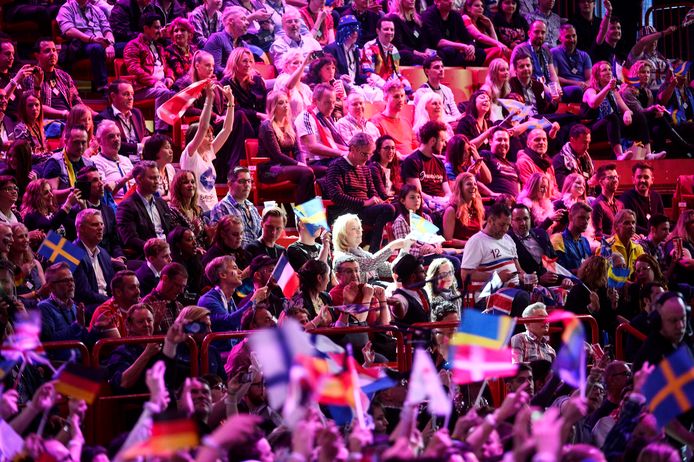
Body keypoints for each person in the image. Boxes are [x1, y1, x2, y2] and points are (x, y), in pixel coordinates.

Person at [325, 132, 396, 251]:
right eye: (364, 154)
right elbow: (336, 196)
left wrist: (377, 200)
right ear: (353, 149)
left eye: (370, 154)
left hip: (363, 210)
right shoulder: (336, 166)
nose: (368, 158)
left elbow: (373, 191)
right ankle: (375, 250)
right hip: (346, 211)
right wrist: (364, 203)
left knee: (395, 206)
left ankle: (376, 248)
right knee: (388, 210)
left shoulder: (365, 168)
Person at [582, 61, 654, 160]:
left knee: (639, 116)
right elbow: (593, 104)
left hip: (612, 126)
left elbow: (627, 110)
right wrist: (607, 88)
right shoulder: (590, 90)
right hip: (594, 128)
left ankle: (648, 154)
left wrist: (627, 113)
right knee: (612, 117)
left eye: (610, 70)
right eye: (604, 70)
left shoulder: (613, 91)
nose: (609, 72)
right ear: (597, 75)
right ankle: (619, 155)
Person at [180, 82, 235, 211]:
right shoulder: (190, 155)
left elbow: (227, 129)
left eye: (211, 134)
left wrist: (231, 102)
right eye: (207, 135)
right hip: (197, 212)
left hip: (213, 211)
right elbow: (203, 126)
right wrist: (209, 99)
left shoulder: (208, 153)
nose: (211, 137)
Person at [38, 262, 106, 359]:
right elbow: (49, 341)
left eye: (72, 280)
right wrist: (77, 325)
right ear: (52, 286)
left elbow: (85, 341)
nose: (71, 284)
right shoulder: (43, 308)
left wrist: (97, 328)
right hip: (60, 366)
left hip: (81, 361)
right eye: (65, 281)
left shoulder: (74, 307)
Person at [258, 91, 316, 204]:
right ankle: (305, 217)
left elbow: (298, 150)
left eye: (286, 102)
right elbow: (277, 155)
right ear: (273, 107)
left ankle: (305, 215)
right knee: (307, 173)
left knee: (323, 171)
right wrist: (299, 165)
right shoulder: (267, 126)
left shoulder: (290, 125)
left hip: (286, 167)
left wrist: (302, 163)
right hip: (270, 170)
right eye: (280, 103)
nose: (285, 105)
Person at [122, 13, 176, 133]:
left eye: (160, 27)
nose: (160, 30)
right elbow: (134, 69)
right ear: (146, 28)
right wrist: (154, 82)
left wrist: (169, 76)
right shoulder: (133, 45)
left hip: (160, 84)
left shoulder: (159, 46)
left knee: (180, 91)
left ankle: (177, 131)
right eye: (156, 27)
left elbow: (167, 66)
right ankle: (160, 131)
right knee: (164, 93)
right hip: (142, 88)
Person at [460, 203, 524, 296]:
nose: (505, 229)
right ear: (490, 221)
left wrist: (527, 278)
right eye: (502, 225)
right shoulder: (476, 241)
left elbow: (519, 270)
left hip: (515, 288)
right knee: (522, 297)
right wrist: (496, 276)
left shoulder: (508, 239)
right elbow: (465, 275)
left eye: (508, 225)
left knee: (544, 293)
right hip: (488, 294)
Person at [116, 161, 174, 258]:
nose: (157, 181)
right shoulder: (127, 206)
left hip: (169, 252)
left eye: (157, 177)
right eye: (152, 178)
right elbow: (130, 239)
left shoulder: (161, 203)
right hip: (148, 255)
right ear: (139, 180)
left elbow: (171, 229)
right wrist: (156, 249)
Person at [56, 0, 115, 92]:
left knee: (127, 47)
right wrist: (92, 39)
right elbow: (69, 30)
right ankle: (102, 86)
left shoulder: (97, 9)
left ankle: (128, 87)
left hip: (102, 42)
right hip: (81, 45)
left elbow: (107, 30)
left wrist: (110, 45)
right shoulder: (66, 8)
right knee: (96, 48)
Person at [332, 213, 409, 283]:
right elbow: (370, 263)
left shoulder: (363, 253)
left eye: (359, 228)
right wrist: (393, 245)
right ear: (342, 234)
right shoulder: (342, 257)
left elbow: (390, 269)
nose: (359, 232)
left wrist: (405, 251)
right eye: (353, 229)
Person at [508, 203, 570, 288]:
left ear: (530, 219)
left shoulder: (542, 233)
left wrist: (565, 278)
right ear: (511, 222)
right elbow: (513, 274)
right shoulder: (507, 240)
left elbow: (555, 260)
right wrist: (539, 279)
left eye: (526, 218)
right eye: (518, 219)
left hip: (555, 282)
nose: (523, 223)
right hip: (529, 287)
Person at [105, 304, 163, 393]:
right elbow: (123, 383)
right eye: (141, 322)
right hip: (138, 404)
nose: (146, 325)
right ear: (129, 325)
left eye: (149, 320)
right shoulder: (121, 352)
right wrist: (147, 354)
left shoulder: (161, 347)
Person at [25, 38, 88, 121]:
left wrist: (97, 116)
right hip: (47, 122)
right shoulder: (30, 76)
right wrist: (64, 114)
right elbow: (35, 106)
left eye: (54, 50)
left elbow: (78, 102)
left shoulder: (65, 76)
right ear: (37, 55)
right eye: (47, 51)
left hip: (69, 120)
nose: (52, 54)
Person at [401, 121, 452, 214]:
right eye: (442, 141)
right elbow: (418, 193)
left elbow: (448, 192)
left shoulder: (439, 163)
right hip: (425, 207)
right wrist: (438, 201)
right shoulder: (412, 161)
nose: (444, 145)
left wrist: (446, 201)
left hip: (443, 205)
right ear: (432, 141)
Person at [296, 83, 348, 174]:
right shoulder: (306, 116)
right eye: (327, 102)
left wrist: (349, 150)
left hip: (328, 159)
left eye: (333, 102)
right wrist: (341, 153)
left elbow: (332, 145)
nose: (332, 107)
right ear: (315, 101)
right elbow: (312, 146)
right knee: (350, 165)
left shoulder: (324, 117)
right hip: (314, 162)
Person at [72, 209, 117, 308]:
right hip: (89, 307)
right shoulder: (72, 253)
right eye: (95, 225)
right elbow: (84, 294)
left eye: (101, 224)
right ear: (81, 228)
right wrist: (113, 301)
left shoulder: (104, 253)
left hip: (108, 303)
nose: (100, 228)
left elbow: (112, 284)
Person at [208, 167, 262, 248]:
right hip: (236, 256)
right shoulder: (221, 207)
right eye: (242, 181)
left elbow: (260, 234)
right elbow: (220, 241)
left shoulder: (251, 206)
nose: (247, 185)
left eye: (249, 181)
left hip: (255, 254)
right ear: (229, 184)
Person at [98, 80, 149, 164]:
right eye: (126, 94)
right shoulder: (104, 118)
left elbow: (145, 135)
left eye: (132, 94)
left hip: (141, 160)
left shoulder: (137, 113)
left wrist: (149, 140)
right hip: (118, 162)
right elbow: (111, 144)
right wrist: (138, 147)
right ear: (113, 96)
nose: (131, 98)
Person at [421, 0, 485, 67]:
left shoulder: (456, 15)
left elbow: (467, 38)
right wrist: (463, 46)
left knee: (480, 53)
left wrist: (471, 47)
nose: (451, 2)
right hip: (435, 51)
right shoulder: (429, 14)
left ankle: (464, 74)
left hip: (453, 52)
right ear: (437, 2)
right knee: (448, 51)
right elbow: (439, 42)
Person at [199, 256, 254, 329]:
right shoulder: (208, 300)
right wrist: (255, 300)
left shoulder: (230, 300)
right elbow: (228, 323)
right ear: (222, 275)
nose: (240, 272)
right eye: (235, 268)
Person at [221, 47, 267, 134]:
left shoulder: (257, 80)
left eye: (250, 61)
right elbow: (234, 109)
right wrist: (257, 114)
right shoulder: (225, 83)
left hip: (260, 122)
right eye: (244, 61)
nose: (248, 65)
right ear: (235, 62)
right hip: (238, 124)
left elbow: (265, 104)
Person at [361, 17, 411, 90]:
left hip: (391, 87)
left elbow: (397, 71)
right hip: (374, 86)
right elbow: (368, 72)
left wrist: (403, 80)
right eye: (386, 29)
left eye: (392, 30)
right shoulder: (369, 46)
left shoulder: (395, 50)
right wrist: (386, 85)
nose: (390, 32)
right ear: (378, 31)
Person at [370, 80, 417, 157]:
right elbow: (378, 151)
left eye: (402, 96)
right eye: (396, 96)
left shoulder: (406, 122)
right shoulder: (376, 121)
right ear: (386, 98)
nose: (401, 100)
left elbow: (416, 147)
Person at [204, 6, 252, 78]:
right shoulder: (217, 38)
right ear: (231, 21)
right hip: (224, 84)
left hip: (241, 82)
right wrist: (239, 75)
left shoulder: (244, 44)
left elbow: (250, 67)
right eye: (243, 19)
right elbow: (215, 69)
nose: (247, 23)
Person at [91, 120, 134, 200]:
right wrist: (126, 178)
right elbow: (104, 194)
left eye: (118, 135)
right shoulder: (95, 161)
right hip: (113, 207)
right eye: (111, 136)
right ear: (99, 140)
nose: (117, 139)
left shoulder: (126, 160)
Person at [90, 270, 141, 336]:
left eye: (138, 287)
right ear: (118, 292)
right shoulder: (105, 312)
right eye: (132, 288)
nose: (138, 291)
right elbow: (118, 345)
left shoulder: (140, 307)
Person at [414, 55, 463, 124]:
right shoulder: (422, 92)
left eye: (442, 66)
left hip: (451, 124)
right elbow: (432, 117)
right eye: (436, 67)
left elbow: (456, 113)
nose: (441, 69)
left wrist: (460, 118)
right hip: (433, 128)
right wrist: (455, 120)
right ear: (427, 71)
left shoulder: (447, 90)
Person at [510, 20, 560, 87]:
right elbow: (513, 74)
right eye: (536, 32)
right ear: (529, 33)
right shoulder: (520, 49)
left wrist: (557, 88)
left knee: (574, 90)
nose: (540, 35)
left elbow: (553, 75)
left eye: (543, 32)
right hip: (531, 88)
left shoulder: (546, 49)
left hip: (548, 85)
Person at [619, 162, 665, 235]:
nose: (642, 180)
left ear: (652, 180)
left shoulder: (656, 196)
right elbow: (630, 225)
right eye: (639, 177)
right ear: (633, 179)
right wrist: (653, 232)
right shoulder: (627, 197)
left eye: (646, 177)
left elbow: (662, 220)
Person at [141, 261, 187, 334]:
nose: (181, 291)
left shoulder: (179, 306)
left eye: (183, 287)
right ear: (165, 279)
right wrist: (155, 324)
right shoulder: (146, 306)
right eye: (177, 285)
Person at [9, 223, 48, 306]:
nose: (25, 240)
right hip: (24, 314)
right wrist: (22, 274)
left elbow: (46, 291)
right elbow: (10, 299)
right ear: (11, 240)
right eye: (20, 237)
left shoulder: (36, 264)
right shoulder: (7, 268)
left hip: (43, 311)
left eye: (26, 236)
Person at [551, 24, 592, 103]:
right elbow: (554, 78)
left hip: (582, 87)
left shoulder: (584, 55)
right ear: (560, 38)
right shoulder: (554, 53)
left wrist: (586, 86)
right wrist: (576, 83)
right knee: (577, 90)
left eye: (574, 36)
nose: (572, 39)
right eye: (568, 37)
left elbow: (589, 78)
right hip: (565, 88)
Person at [442, 173, 485, 247]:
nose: (473, 187)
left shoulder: (478, 209)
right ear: (460, 188)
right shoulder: (451, 210)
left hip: (476, 248)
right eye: (469, 184)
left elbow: (480, 234)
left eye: (475, 184)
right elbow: (448, 241)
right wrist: (470, 243)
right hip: (459, 252)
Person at [516, 128, 560, 198]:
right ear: (528, 143)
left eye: (544, 139)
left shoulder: (548, 163)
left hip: (551, 201)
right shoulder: (523, 162)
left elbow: (555, 188)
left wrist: (561, 198)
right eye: (537, 139)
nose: (542, 142)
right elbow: (532, 190)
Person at [550, 202, 592, 274]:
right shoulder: (557, 240)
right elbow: (558, 271)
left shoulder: (585, 241)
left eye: (587, 219)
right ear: (570, 217)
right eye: (581, 217)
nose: (586, 222)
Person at [599, 209, 645, 274]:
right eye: (626, 223)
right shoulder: (606, 246)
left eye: (633, 222)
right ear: (616, 226)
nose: (631, 226)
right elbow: (603, 275)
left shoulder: (638, 248)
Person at [324, 15, 368, 85]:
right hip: (340, 86)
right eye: (351, 30)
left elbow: (357, 76)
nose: (355, 33)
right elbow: (325, 73)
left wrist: (367, 79)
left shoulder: (355, 50)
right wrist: (340, 77)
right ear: (343, 31)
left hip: (354, 86)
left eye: (356, 30)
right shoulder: (331, 49)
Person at [169, 171, 207, 246]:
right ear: (178, 187)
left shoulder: (198, 210)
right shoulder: (172, 211)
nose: (190, 185)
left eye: (192, 182)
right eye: (186, 182)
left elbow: (205, 238)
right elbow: (178, 241)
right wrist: (195, 231)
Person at [552, 123, 594, 190]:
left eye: (588, 142)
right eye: (584, 142)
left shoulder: (587, 159)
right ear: (572, 140)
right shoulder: (559, 160)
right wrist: (589, 183)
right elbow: (565, 186)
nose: (587, 147)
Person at [481, 127, 521, 196]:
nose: (503, 143)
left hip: (514, 203)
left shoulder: (514, 165)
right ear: (490, 141)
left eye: (505, 140)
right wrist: (491, 194)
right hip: (495, 203)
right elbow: (475, 180)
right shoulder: (486, 155)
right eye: (499, 140)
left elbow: (518, 190)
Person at [386, 0, 427, 65]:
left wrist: (425, 51)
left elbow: (422, 42)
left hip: (415, 54)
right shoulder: (394, 18)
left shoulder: (416, 20)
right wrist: (417, 53)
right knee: (407, 55)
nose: (412, 0)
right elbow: (398, 45)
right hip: (395, 55)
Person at [273, 50, 313, 116]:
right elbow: (289, 86)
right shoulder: (282, 78)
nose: (299, 66)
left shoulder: (305, 88)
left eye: (301, 62)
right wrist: (303, 65)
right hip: (287, 123)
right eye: (295, 63)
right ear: (286, 66)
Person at [168, 226, 204, 297]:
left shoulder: (195, 260)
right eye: (189, 240)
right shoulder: (174, 267)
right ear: (178, 244)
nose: (195, 243)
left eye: (194, 239)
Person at [13, 92, 49, 158]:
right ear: (24, 108)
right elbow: (25, 155)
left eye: (37, 105)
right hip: (31, 166)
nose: (34, 108)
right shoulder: (20, 129)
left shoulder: (39, 126)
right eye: (30, 105)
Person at [142, 134, 175, 200]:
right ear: (155, 151)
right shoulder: (147, 172)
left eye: (170, 148)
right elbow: (146, 199)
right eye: (166, 148)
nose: (171, 151)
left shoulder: (170, 168)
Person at [368, 135, 401, 200]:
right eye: (386, 148)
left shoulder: (394, 168)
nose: (391, 151)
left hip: (395, 201)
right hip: (385, 205)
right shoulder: (374, 168)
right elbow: (383, 195)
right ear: (378, 150)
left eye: (393, 148)